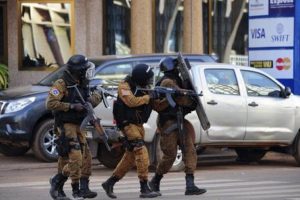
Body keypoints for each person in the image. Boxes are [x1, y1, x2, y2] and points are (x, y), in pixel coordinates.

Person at [47, 54, 102, 200]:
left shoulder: (82, 83)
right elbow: (50, 103)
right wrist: (71, 106)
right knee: (74, 158)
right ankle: (59, 183)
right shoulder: (62, 83)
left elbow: (87, 104)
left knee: (86, 158)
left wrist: (98, 95)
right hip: (66, 125)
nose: (87, 72)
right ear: (78, 70)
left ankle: (82, 188)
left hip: (79, 125)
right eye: (84, 69)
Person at [149, 57, 207, 196]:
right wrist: (178, 92)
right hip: (168, 122)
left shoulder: (178, 81)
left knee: (190, 150)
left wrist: (187, 93)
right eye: (177, 67)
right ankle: (155, 181)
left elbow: (187, 102)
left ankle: (190, 184)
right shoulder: (166, 82)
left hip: (180, 120)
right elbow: (167, 98)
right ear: (172, 68)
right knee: (170, 155)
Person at [102, 63, 159, 199]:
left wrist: (160, 97)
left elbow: (153, 104)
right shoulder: (124, 87)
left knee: (130, 159)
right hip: (128, 125)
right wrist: (148, 97)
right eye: (148, 79)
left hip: (139, 126)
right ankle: (144, 187)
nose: (149, 82)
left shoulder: (144, 87)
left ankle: (109, 183)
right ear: (141, 78)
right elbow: (131, 102)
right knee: (141, 152)